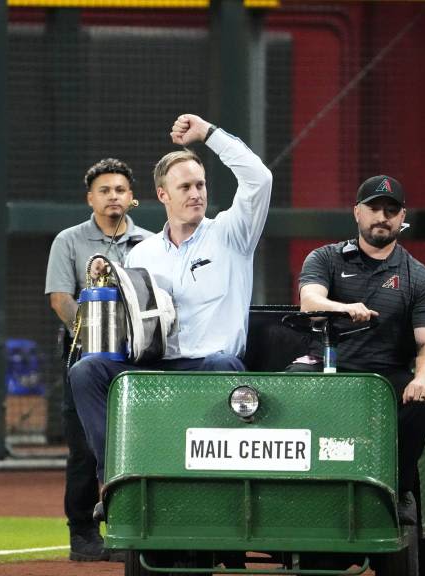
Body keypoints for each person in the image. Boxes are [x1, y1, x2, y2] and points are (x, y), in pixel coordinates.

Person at [69, 113, 273, 487]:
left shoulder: (232, 234)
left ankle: (224, 489)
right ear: (163, 195)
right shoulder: (141, 254)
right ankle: (114, 477)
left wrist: (208, 134)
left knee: (223, 363)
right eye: (185, 187)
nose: (196, 193)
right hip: (156, 367)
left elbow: (259, 178)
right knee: (87, 370)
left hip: (211, 367)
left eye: (201, 185)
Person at [285, 174, 425, 525]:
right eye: (373, 208)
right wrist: (344, 308)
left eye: (391, 210)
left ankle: (399, 490)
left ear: (402, 218)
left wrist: (424, 377)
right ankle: (287, 485)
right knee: (287, 388)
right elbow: (310, 301)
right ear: (357, 212)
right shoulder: (325, 258)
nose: (382, 217)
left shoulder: (418, 277)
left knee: (419, 399)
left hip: (383, 373)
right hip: (324, 362)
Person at [45, 158, 151, 561]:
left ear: (132, 198)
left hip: (135, 360)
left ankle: (130, 529)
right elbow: (59, 299)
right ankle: (83, 533)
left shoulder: (150, 242)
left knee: (136, 445)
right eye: (104, 191)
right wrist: (96, 335)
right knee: (84, 448)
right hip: (82, 360)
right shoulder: (68, 241)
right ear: (90, 198)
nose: (113, 197)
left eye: (120, 190)